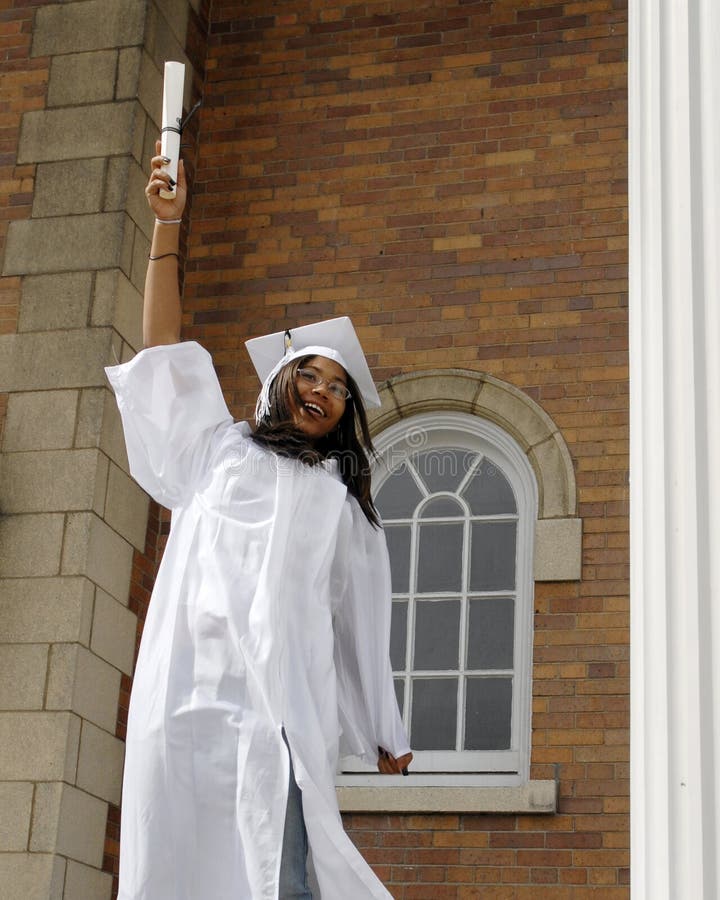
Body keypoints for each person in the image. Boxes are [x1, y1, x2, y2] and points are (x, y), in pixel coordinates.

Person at [105, 143, 413, 900]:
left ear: (346, 416)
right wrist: (166, 230)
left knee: (284, 874)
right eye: (308, 372)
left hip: (282, 718)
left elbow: (360, 624)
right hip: (189, 702)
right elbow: (163, 351)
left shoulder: (338, 507)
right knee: (178, 866)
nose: (322, 389)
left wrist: (386, 729)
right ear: (278, 384)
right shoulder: (214, 451)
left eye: (339, 387)